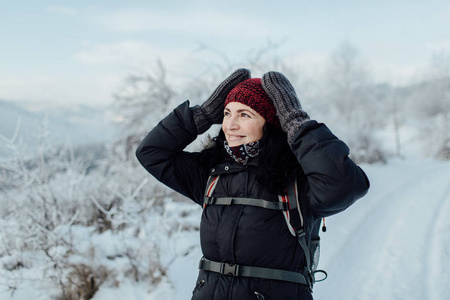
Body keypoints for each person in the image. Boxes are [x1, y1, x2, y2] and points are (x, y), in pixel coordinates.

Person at [136, 69, 370, 300]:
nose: (230, 125)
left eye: (245, 115)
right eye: (227, 113)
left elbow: (346, 186)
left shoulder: (299, 178)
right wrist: (204, 114)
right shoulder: (211, 173)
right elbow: (151, 153)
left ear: (270, 123)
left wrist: (294, 121)